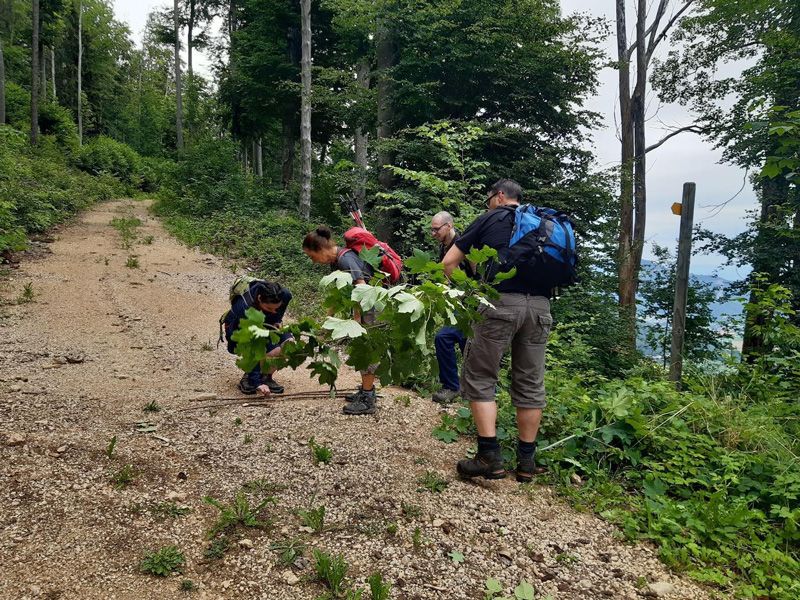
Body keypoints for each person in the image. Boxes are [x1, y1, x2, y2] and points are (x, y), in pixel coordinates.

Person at [442, 179, 553, 482]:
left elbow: (449, 262)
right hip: (542, 308)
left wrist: (469, 294)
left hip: (499, 304)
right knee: (530, 384)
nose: (488, 203)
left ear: (500, 196)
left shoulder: (491, 217)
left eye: (489, 198)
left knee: (480, 376)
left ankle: (489, 456)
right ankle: (527, 463)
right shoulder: (545, 223)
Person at [302, 226, 379, 416]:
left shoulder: (345, 259)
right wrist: (328, 322)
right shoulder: (336, 262)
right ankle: (366, 389)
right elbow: (337, 296)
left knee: (366, 349)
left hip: (373, 306)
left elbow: (362, 289)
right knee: (363, 348)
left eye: (312, 256)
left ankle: (368, 398)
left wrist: (356, 320)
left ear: (321, 249)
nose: (313, 262)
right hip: (367, 307)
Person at [223, 280, 292, 396]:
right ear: (259, 298)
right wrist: (256, 383)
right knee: (270, 349)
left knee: (290, 344)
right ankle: (250, 378)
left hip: (264, 323)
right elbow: (252, 346)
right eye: (270, 309)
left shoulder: (285, 295)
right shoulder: (244, 308)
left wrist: (276, 320)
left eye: (276, 308)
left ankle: (266, 376)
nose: (274, 311)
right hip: (238, 331)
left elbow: (278, 311)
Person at [430, 211, 470, 404]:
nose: (433, 233)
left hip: (471, 302)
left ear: (449, 225)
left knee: (447, 338)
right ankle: (459, 387)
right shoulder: (444, 246)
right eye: (432, 229)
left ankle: (454, 388)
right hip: (457, 303)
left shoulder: (464, 243)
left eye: (436, 229)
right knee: (462, 342)